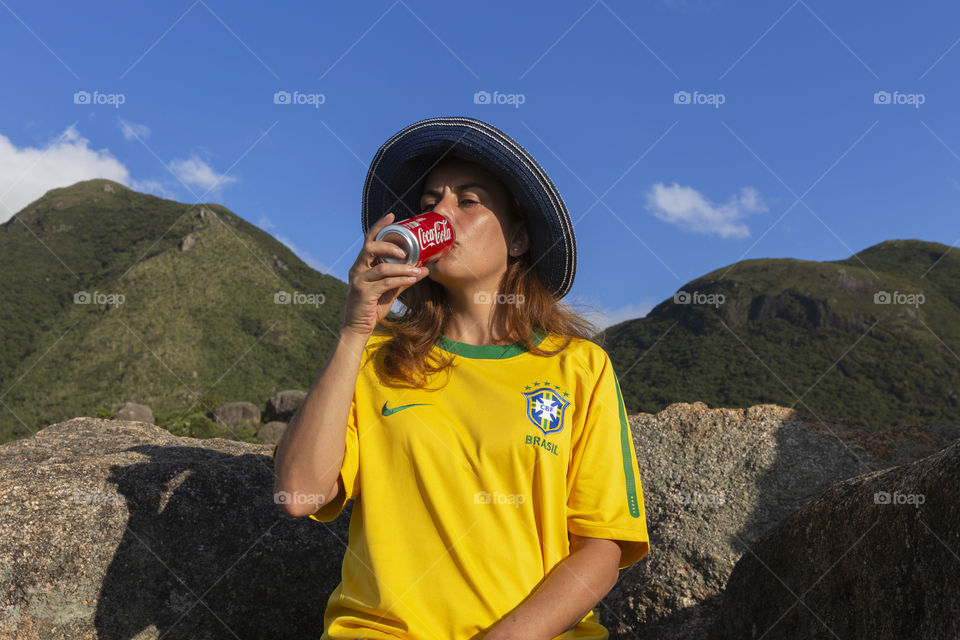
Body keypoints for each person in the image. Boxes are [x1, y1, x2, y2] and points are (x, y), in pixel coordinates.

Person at [272, 116, 650, 640]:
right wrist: (354, 331)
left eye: (468, 200)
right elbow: (298, 495)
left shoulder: (578, 367)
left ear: (518, 237)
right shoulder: (375, 359)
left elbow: (602, 547)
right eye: (429, 203)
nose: (440, 213)